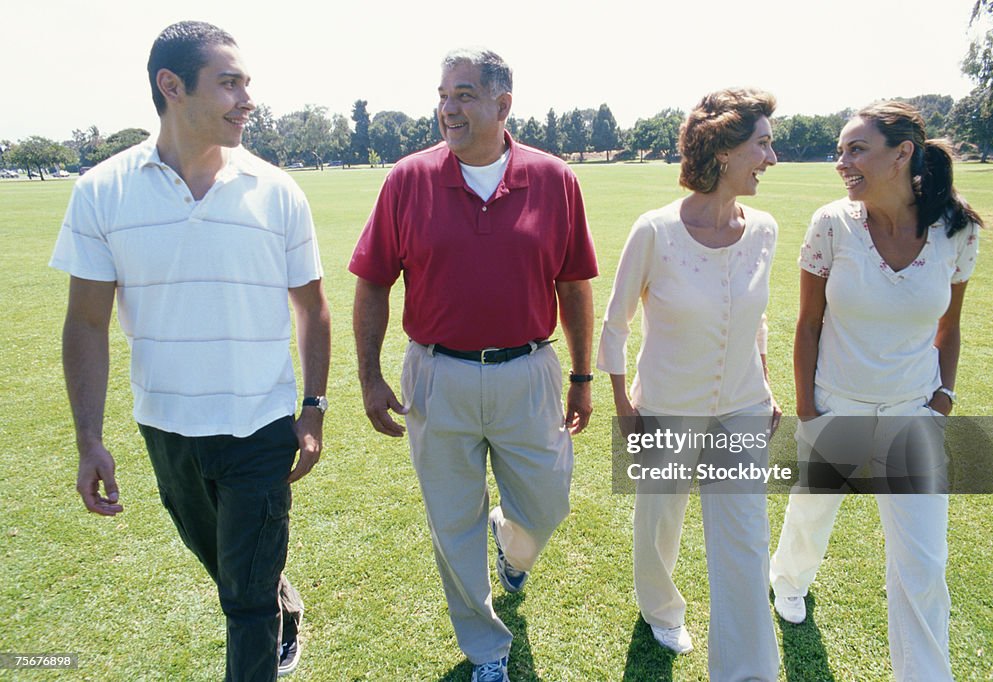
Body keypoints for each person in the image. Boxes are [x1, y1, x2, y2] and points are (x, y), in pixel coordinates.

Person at [50, 21, 330, 681]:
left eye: (247, 83)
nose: (247, 98)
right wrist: (88, 438)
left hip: (259, 427)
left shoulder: (277, 192)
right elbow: (85, 323)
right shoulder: (101, 192)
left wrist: (313, 409)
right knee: (232, 570)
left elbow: (312, 307)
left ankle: (267, 604)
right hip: (167, 431)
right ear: (171, 87)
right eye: (229, 83)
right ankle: (277, 595)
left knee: (243, 601)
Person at [349, 48, 597, 682]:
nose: (447, 107)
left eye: (462, 94)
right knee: (452, 522)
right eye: (442, 94)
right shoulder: (407, 178)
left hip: (530, 371)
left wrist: (582, 375)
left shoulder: (554, 178)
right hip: (438, 376)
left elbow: (573, 284)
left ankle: (512, 542)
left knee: (547, 503)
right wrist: (370, 376)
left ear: (502, 104)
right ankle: (487, 649)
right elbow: (373, 281)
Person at [769, 101, 980, 681]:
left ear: (902, 154)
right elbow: (808, 323)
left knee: (923, 565)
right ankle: (787, 582)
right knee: (811, 517)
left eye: (856, 149)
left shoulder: (955, 232)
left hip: (914, 414)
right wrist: (809, 411)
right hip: (837, 405)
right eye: (841, 150)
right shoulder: (831, 224)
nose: (842, 162)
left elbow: (950, 327)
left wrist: (943, 401)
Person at [597, 88, 782, 681]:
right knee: (659, 526)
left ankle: (747, 672)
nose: (771, 158)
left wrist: (767, 386)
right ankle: (660, 608)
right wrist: (623, 404)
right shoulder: (654, 231)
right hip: (666, 408)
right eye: (762, 143)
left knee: (747, 549)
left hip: (742, 412)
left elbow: (756, 320)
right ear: (724, 151)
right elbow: (616, 321)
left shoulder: (766, 230)